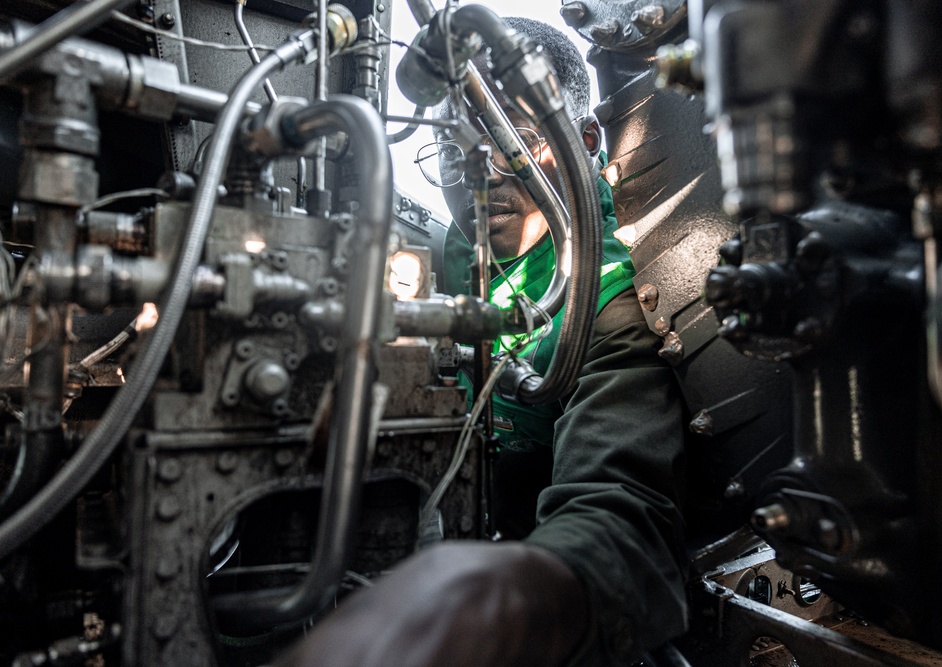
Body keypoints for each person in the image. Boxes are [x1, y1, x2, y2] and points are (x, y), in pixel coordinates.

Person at [281, 18, 688, 667]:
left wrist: (488, 597)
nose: (480, 174)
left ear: (582, 141)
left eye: (510, 142)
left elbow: (620, 521)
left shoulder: (609, 302)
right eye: (454, 151)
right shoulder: (449, 254)